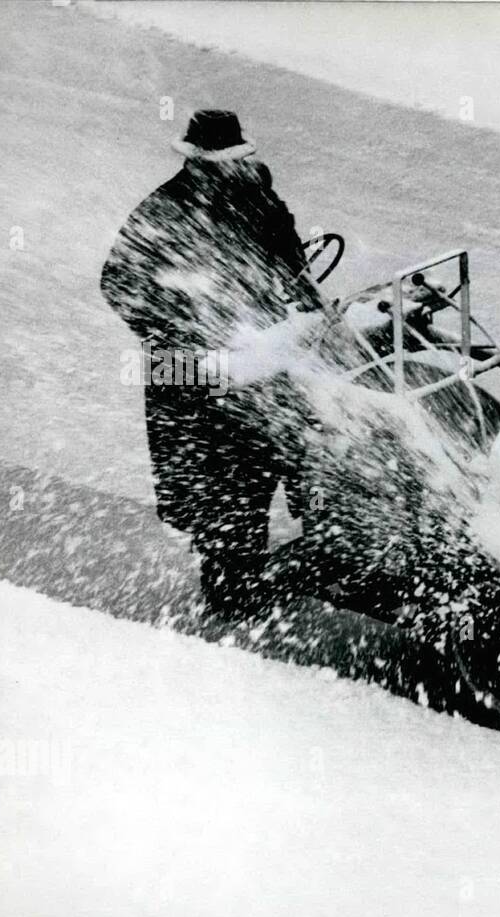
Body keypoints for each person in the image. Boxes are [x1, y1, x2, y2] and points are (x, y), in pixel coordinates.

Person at [101, 110, 320, 617]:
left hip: (260, 358)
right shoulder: (163, 213)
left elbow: (292, 267)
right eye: (212, 164)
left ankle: (315, 551)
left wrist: (298, 312)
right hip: (191, 372)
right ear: (195, 163)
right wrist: (180, 333)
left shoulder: (258, 198)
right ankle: (232, 585)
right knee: (220, 487)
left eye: (229, 163)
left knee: (292, 454)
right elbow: (117, 282)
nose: (221, 172)